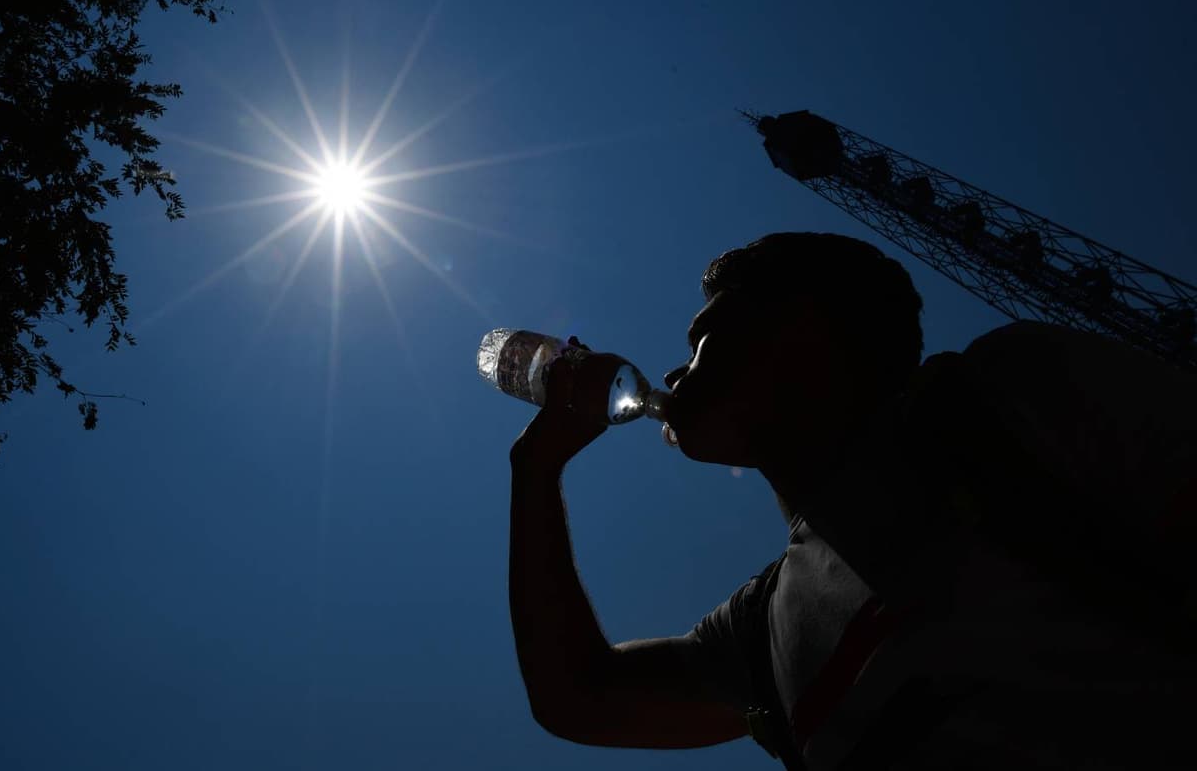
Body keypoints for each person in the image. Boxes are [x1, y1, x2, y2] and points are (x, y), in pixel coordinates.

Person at [507, 231, 1197, 769]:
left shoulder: (1009, 394)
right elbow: (578, 697)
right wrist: (536, 467)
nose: (672, 370)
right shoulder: (759, 629)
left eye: (703, 335)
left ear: (799, 326)